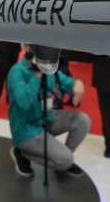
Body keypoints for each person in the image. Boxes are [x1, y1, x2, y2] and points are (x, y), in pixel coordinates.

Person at [8, 45, 90, 177]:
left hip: (46, 119)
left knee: (82, 120)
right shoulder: (17, 72)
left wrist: (78, 83)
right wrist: (37, 74)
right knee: (66, 160)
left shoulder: (49, 68)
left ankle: (62, 158)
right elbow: (24, 103)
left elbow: (68, 81)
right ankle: (22, 153)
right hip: (26, 129)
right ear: (26, 47)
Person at [0, 41, 20, 105]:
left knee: (12, 72)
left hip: (15, 46)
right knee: (2, 71)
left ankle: (9, 95)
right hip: (2, 45)